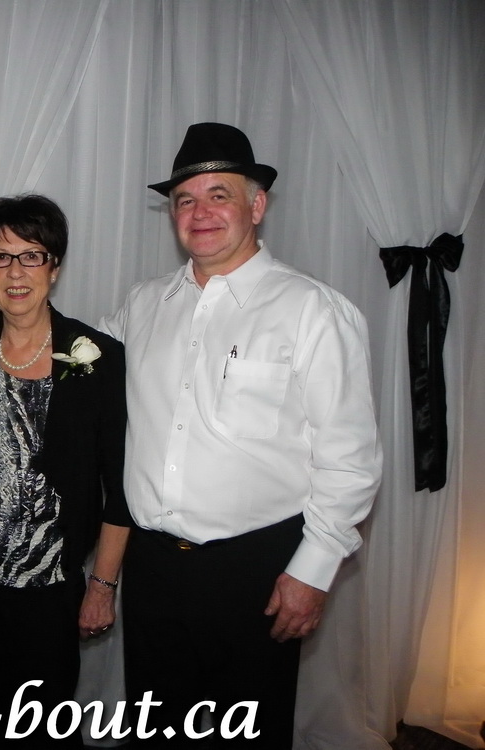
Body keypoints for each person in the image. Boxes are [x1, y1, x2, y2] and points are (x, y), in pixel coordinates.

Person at [100, 122, 383, 747]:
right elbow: (73, 357)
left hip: (256, 571)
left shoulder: (313, 310)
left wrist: (313, 570)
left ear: (257, 206)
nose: (199, 212)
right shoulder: (143, 304)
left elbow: (350, 460)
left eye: (218, 195)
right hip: (153, 571)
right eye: (185, 199)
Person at [0, 195, 131, 748]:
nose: (16, 272)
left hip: (48, 586)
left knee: (44, 732)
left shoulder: (97, 358)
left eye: (32, 255)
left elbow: (118, 486)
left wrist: (102, 585)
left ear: (55, 266)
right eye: (1, 257)